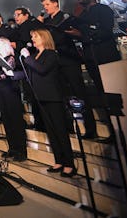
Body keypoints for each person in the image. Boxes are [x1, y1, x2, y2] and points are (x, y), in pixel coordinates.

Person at [38, 0, 98, 139]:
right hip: (56, 63)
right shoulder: (46, 21)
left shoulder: (65, 18)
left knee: (80, 93)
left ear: (55, 4)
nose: (45, 7)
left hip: (69, 60)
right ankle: (68, 125)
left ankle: (90, 128)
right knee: (62, 95)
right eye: (43, 5)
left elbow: (68, 36)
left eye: (47, 4)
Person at [20, 29, 76, 177]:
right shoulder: (34, 55)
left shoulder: (51, 54)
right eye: (32, 36)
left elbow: (42, 69)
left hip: (53, 97)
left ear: (44, 38)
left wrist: (28, 58)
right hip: (40, 97)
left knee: (60, 130)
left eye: (35, 36)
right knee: (51, 130)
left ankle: (69, 163)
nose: (32, 39)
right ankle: (59, 160)